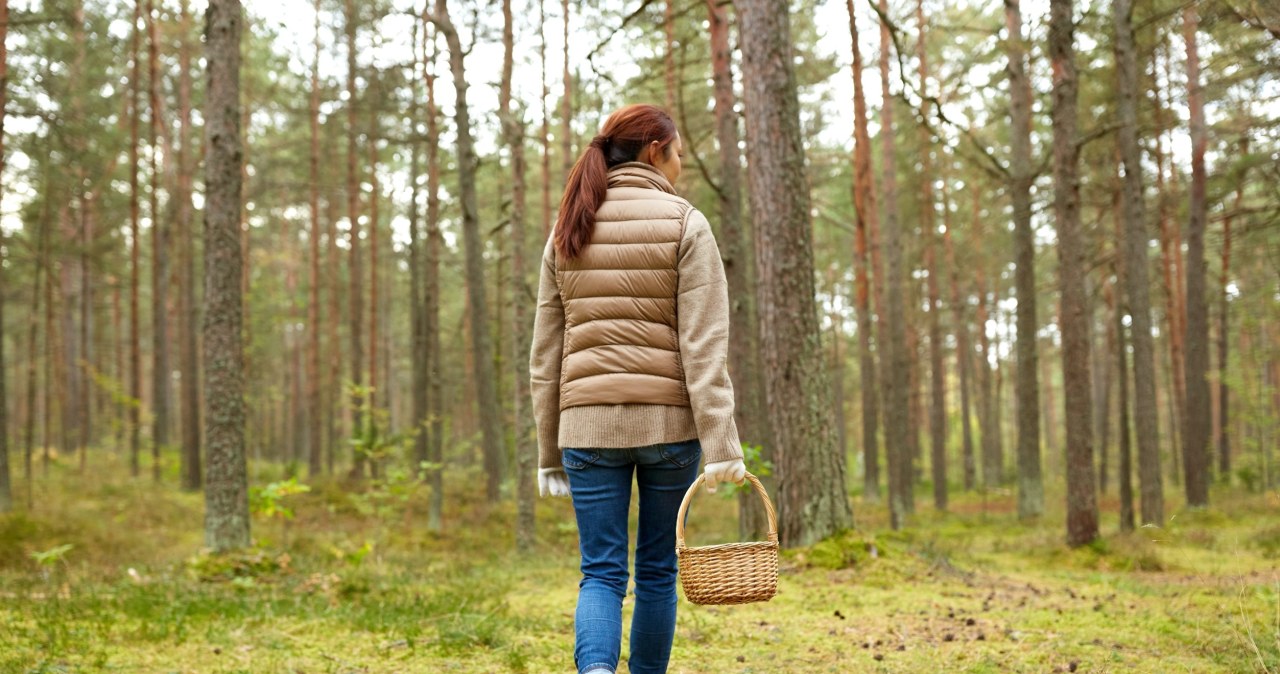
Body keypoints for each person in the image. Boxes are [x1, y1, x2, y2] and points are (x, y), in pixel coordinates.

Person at [529, 103, 747, 674]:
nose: (681, 166)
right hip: (669, 430)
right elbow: (704, 348)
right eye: (679, 153)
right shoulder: (685, 223)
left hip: (586, 427)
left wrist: (547, 453)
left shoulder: (567, 230)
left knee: (600, 572)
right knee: (656, 571)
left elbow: (545, 355)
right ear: (655, 150)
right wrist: (722, 446)